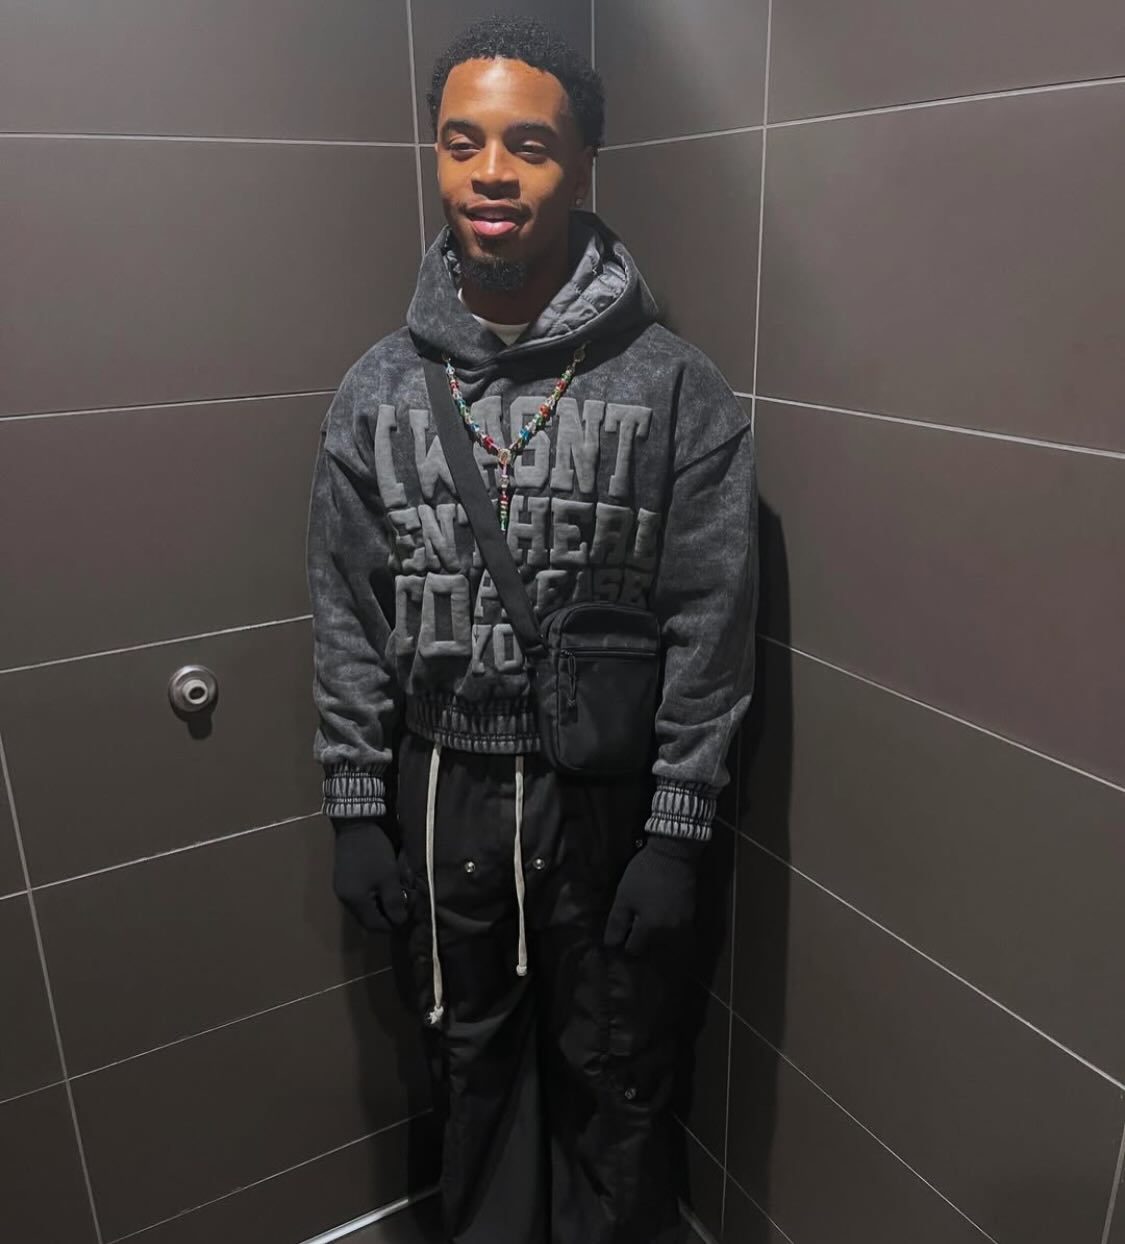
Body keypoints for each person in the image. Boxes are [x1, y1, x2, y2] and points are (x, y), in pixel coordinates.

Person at [306, 15, 757, 1244]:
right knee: (470, 1063)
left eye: (529, 145)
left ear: (584, 164)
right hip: (444, 784)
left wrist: (677, 831)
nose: (491, 173)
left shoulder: (675, 388)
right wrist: (354, 805)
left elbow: (711, 620)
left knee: (614, 1065)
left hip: (604, 799)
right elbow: (346, 604)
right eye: (463, 143)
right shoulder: (377, 390)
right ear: (437, 157)